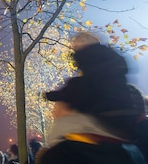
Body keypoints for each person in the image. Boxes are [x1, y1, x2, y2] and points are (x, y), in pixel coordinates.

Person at [38, 32, 146, 163]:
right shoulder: (115, 71)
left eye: (76, 44)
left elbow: (77, 89)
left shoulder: (65, 153)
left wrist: (50, 95)